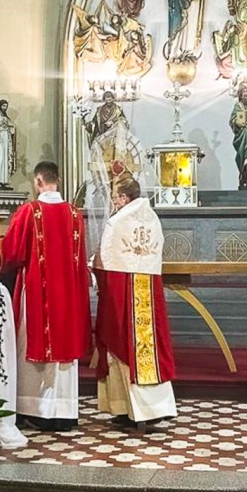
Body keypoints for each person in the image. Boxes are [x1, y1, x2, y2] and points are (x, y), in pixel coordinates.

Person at [0, 162, 91, 432]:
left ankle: (33, 409)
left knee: (32, 344)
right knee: (63, 354)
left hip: (38, 293)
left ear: (38, 182)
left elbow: (13, 252)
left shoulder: (30, 212)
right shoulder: (75, 215)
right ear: (57, 181)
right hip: (69, 296)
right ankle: (63, 411)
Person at [94, 179, 176, 428]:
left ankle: (129, 410)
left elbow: (105, 261)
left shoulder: (117, 221)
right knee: (149, 350)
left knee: (123, 348)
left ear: (124, 198)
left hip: (122, 294)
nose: (114, 202)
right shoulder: (153, 219)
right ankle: (154, 407)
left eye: (116, 197)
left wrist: (94, 269)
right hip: (148, 293)